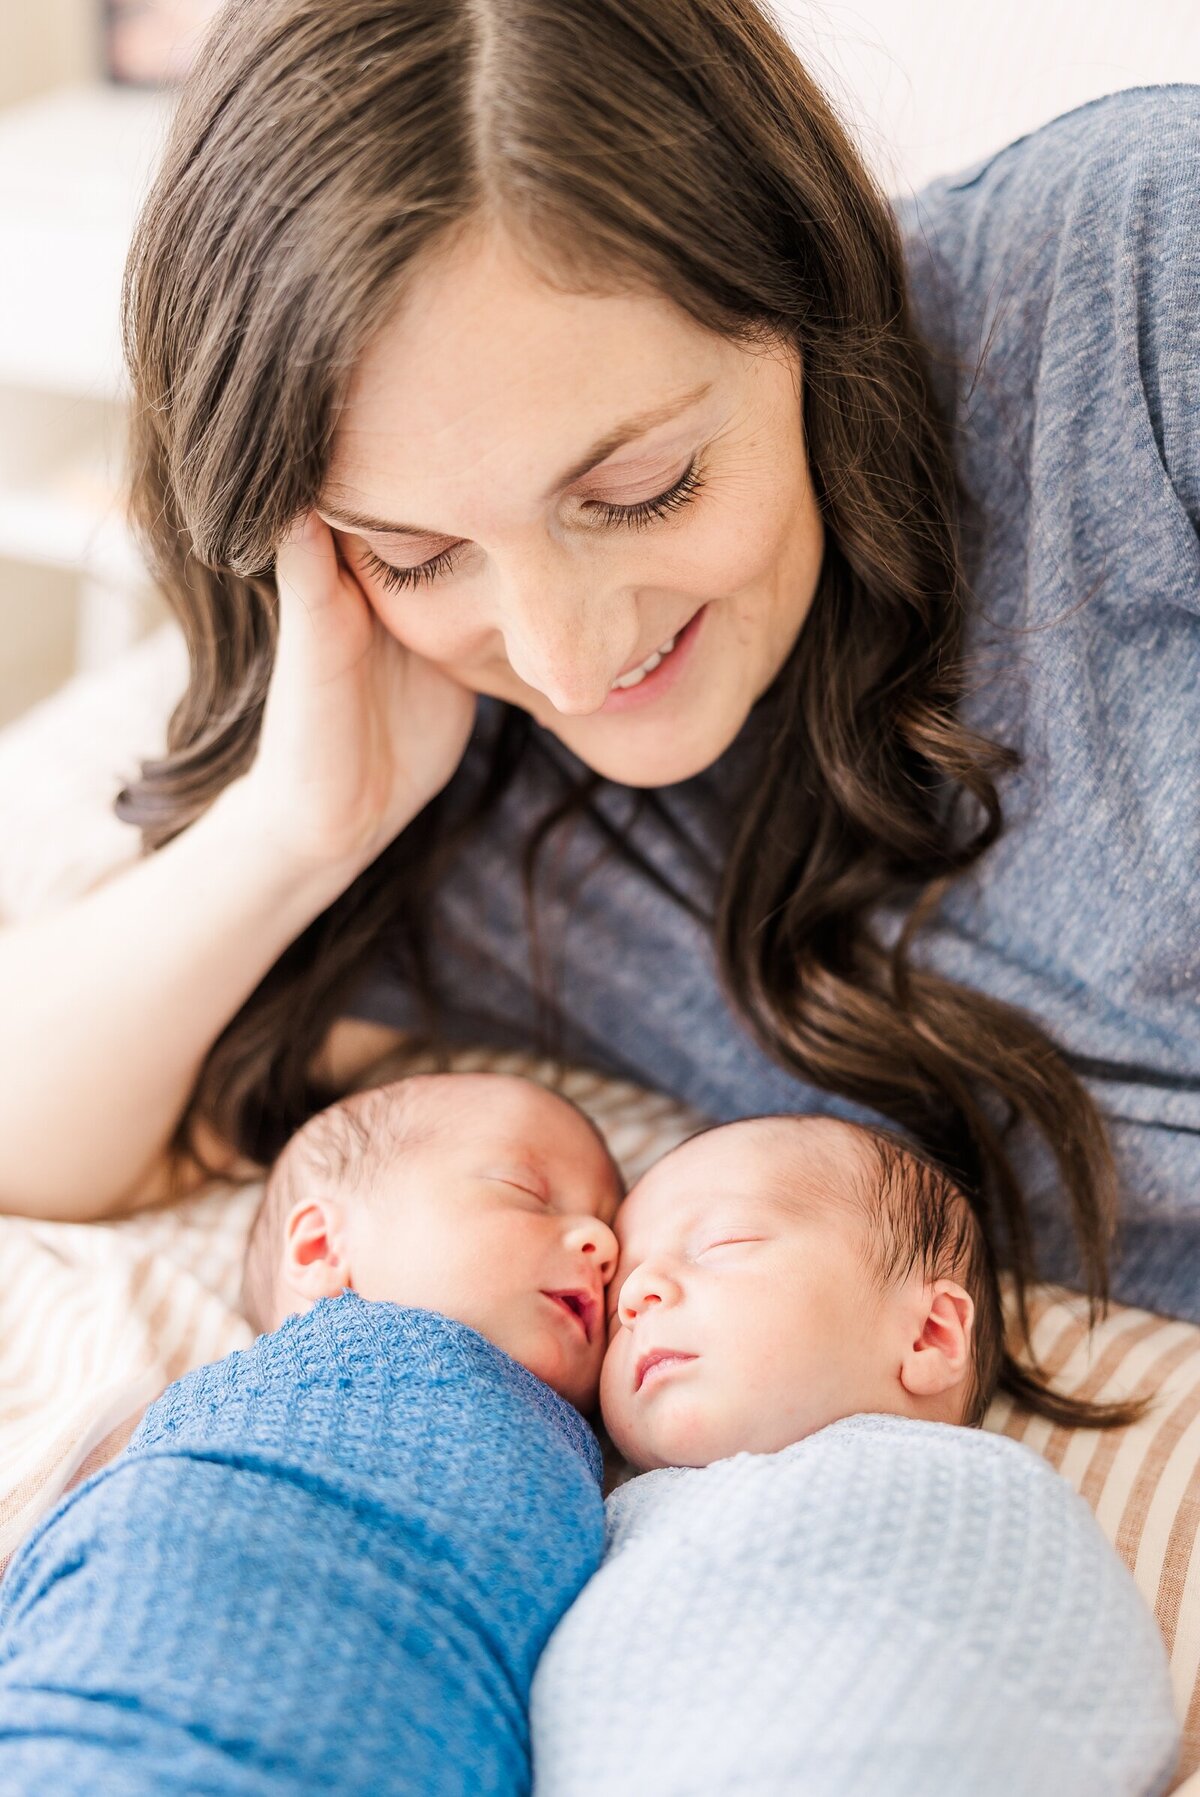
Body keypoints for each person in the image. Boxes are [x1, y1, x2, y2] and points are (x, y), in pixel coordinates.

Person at [0, 0, 1196, 1370]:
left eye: (641, 488)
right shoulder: (470, 795)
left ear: (805, 300)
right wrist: (293, 831)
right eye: (419, 552)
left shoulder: (1135, 284)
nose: (566, 661)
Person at [0, 1074, 621, 1794]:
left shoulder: (598, 1468)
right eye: (527, 1190)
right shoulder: (235, 1396)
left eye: (615, 1227)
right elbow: (89, 1510)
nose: (602, 1241)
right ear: (323, 1245)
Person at [531, 1113, 1181, 1795]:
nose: (637, 1294)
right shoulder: (588, 1512)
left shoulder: (975, 1495)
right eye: (619, 1294)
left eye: (723, 1242)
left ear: (928, 1335)